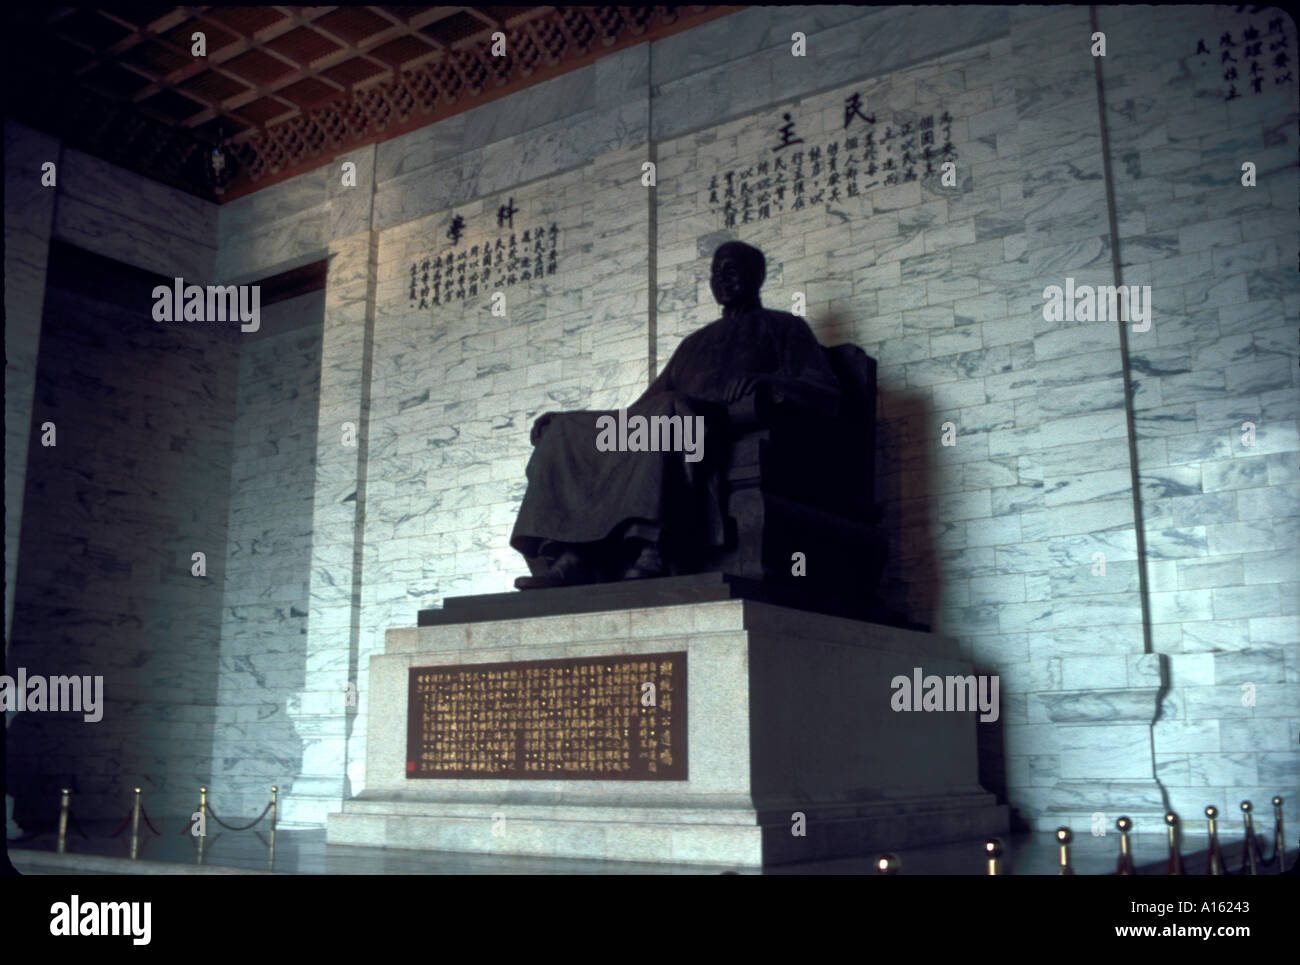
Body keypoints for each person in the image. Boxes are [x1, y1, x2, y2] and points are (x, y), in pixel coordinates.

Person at [510, 241, 841, 589]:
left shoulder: (783, 327)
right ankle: (572, 554)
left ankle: (654, 546)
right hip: (670, 420)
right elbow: (638, 410)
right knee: (566, 429)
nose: (722, 279)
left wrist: (763, 381)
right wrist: (574, 421)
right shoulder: (694, 342)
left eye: (731, 270)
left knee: (668, 412)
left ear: (757, 275)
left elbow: (824, 392)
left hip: (717, 426)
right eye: (716, 273)